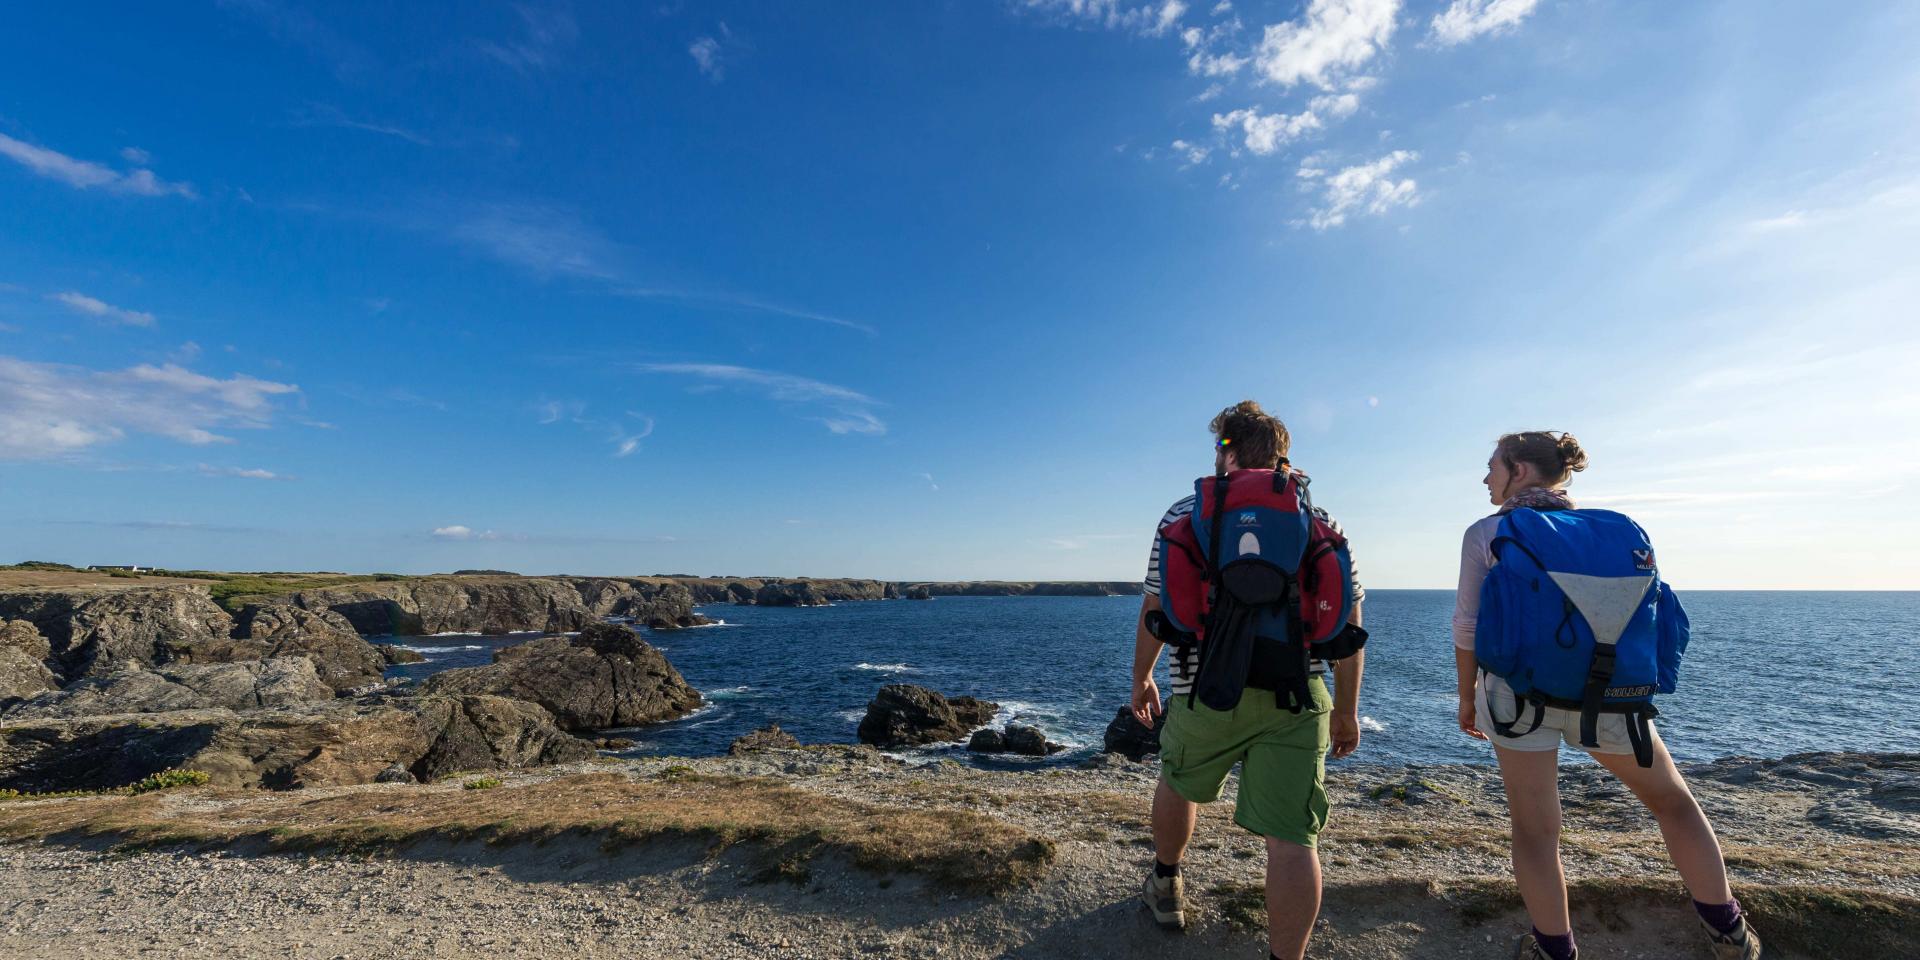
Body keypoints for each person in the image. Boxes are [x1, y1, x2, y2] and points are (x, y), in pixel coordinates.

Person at [1453, 431, 1762, 960]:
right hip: (1612, 697)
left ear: (1521, 470)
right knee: (1674, 804)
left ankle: (1555, 950)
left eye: (1492, 466)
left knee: (1535, 831)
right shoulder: (1615, 531)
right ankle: (1728, 931)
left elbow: (1467, 626)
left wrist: (1466, 698)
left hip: (1518, 702)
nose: (1486, 478)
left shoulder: (1488, 532)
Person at [1130, 400, 1367, 960]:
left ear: (1223, 451)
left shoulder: (1184, 513)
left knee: (1178, 783)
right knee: (1292, 838)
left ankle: (1165, 884)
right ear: (1285, 455)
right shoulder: (1319, 518)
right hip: (1296, 693)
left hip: (1202, 687)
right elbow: (1350, 622)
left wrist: (1142, 677)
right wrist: (1346, 708)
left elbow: (1155, 605)